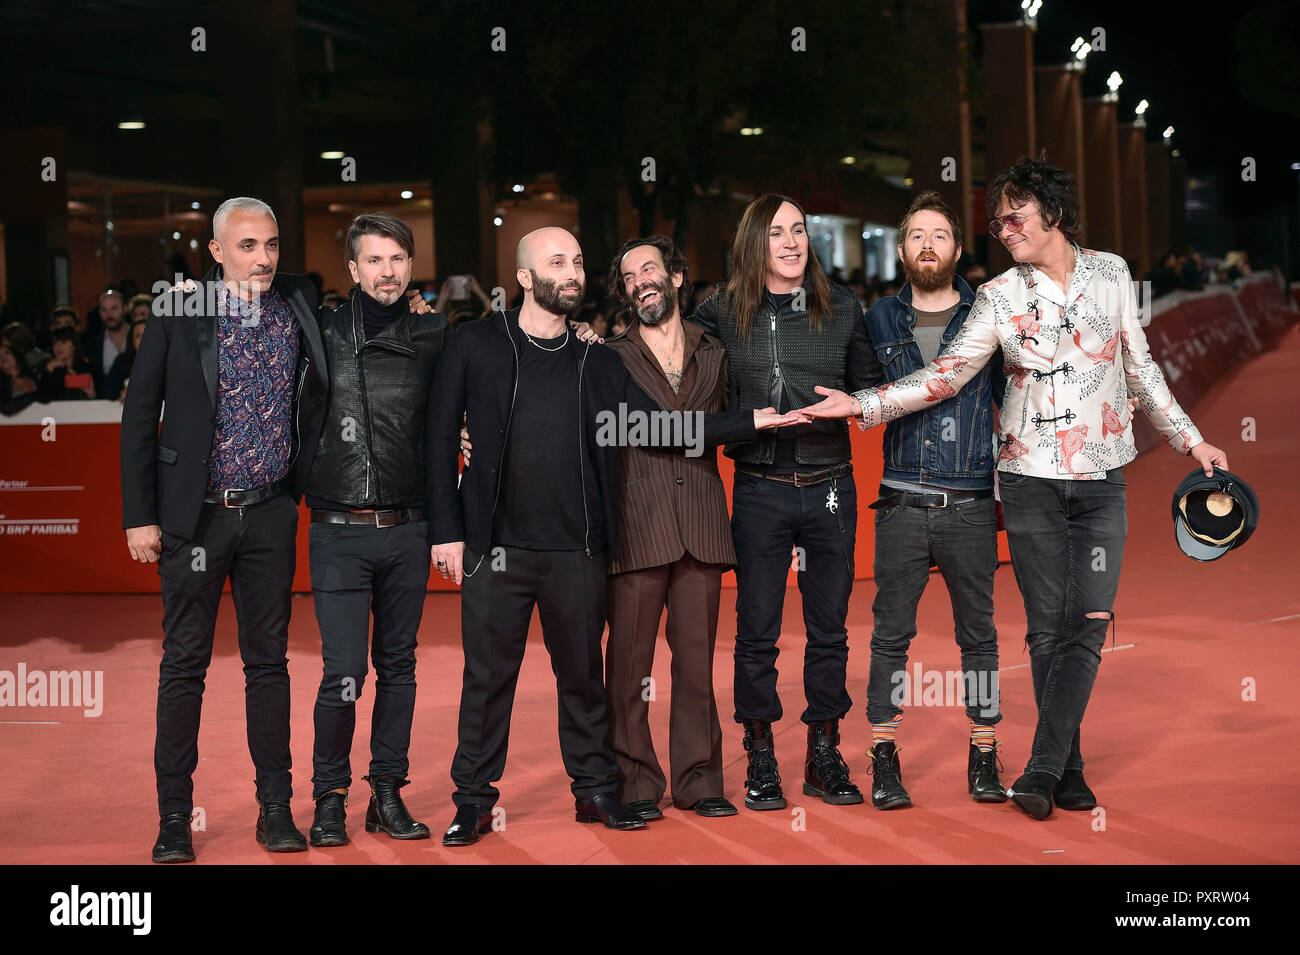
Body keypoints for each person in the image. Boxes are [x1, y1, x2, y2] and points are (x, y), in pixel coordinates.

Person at [798, 157, 1229, 820]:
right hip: (1028, 482)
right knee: (1047, 630)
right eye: (996, 220)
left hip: (1099, 481)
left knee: (1088, 621)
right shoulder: (998, 296)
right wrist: (860, 405)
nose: (1002, 227)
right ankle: (1068, 765)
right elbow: (944, 376)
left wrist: (1190, 438)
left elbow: (1141, 370)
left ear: (1051, 210)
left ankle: (1046, 764)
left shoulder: (1112, 274)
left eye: (1013, 214)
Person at [426, 227, 795, 846]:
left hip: (580, 550)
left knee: (584, 679)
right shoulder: (473, 345)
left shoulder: (598, 361)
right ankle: (473, 801)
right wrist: (447, 532)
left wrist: (749, 422)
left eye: (577, 260)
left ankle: (596, 790)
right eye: (556, 262)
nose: (572, 272)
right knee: (488, 680)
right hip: (496, 549)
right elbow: (438, 440)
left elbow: (660, 427)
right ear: (523, 278)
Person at [121, 196, 431, 863]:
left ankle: (273, 809)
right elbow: (139, 413)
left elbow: (365, 321)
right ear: (215, 251)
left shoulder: (295, 301)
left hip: (269, 513)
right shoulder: (178, 313)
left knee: (269, 666)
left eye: (271, 245)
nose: (262, 258)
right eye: (247, 246)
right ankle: (174, 817)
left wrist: (416, 306)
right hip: (194, 517)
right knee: (184, 666)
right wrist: (139, 515)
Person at [689, 194, 884, 811]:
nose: (792, 242)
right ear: (755, 242)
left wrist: (852, 402)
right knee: (757, 632)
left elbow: (873, 390)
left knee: (829, 629)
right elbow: (679, 378)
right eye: (777, 233)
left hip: (830, 486)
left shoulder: (842, 306)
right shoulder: (718, 311)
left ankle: (825, 753)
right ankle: (761, 754)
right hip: (759, 490)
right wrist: (748, 422)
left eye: (799, 230)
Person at [858, 190, 1007, 809]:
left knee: (979, 634)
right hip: (900, 500)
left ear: (957, 247)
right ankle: (882, 754)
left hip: (971, 498)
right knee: (891, 634)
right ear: (900, 249)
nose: (927, 245)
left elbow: (1013, 397)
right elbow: (863, 396)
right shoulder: (877, 320)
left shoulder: (988, 314)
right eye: (916, 235)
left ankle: (984, 751)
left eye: (939, 235)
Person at [303, 213, 448, 847]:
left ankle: (386, 792)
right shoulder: (322, 330)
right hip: (337, 529)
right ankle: (329, 796)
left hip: (409, 528)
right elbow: (264, 282)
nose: (387, 271)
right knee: (343, 671)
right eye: (374, 260)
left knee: (400, 666)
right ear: (353, 270)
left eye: (398, 259)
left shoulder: (435, 333)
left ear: (410, 266)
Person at [599, 236, 741, 819]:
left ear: (677, 278)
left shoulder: (716, 349)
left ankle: (699, 780)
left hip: (702, 523)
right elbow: (613, 427)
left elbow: (732, 418)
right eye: (630, 277)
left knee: (696, 663)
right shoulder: (608, 355)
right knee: (628, 668)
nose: (641, 283)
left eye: (650, 270)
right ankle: (634, 785)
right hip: (637, 524)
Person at [85, 289, 129, 392]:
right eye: (104, 309)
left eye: (114, 308)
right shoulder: (92, 346)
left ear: (125, 309)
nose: (109, 314)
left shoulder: (141, 338)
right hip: (104, 403)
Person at [39, 326, 98, 400]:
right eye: (55, 343)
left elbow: (87, 385)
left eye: (63, 342)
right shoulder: (50, 369)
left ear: (74, 345)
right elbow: (43, 398)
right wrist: (48, 371)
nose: (58, 347)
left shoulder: (88, 366)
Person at [102, 317, 148, 403]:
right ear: (132, 341)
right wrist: (122, 392)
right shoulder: (121, 361)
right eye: (138, 336)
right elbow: (107, 392)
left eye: (147, 334)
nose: (143, 339)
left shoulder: (168, 361)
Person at [1, 342, 39, 415]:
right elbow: (6, 407)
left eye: (6, 353)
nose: (3, 357)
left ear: (16, 355)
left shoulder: (34, 375)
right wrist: (35, 395)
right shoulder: (2, 384)